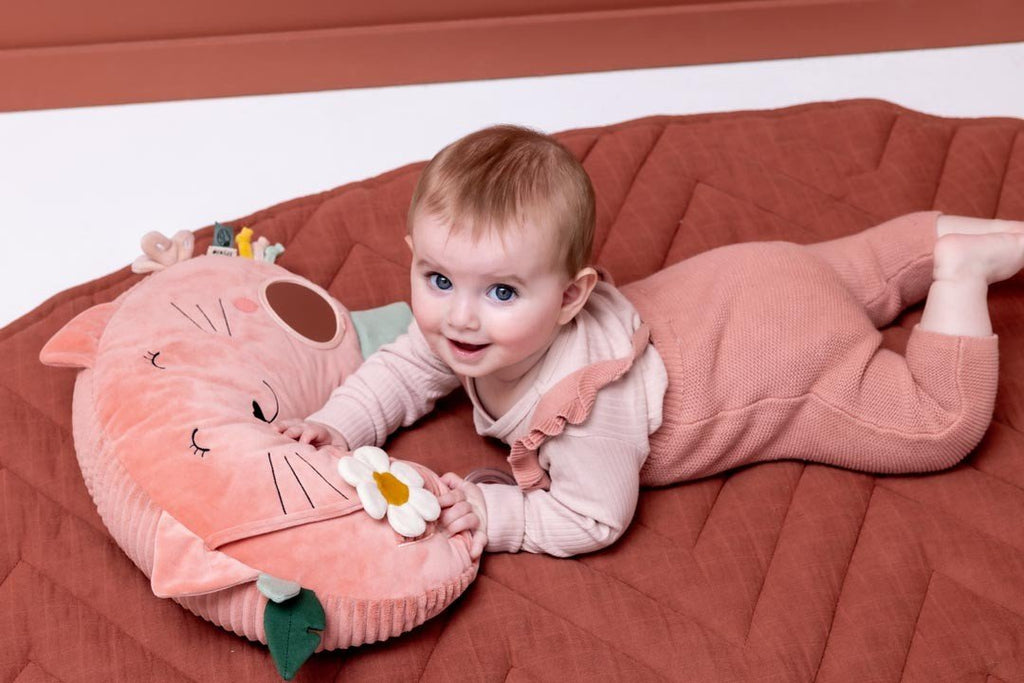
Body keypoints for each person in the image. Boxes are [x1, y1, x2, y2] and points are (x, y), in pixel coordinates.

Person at [276, 124, 1024, 559]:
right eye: (437, 279)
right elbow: (404, 371)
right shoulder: (462, 330)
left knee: (933, 424)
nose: (460, 318)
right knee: (863, 264)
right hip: (758, 269)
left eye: (502, 292)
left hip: (790, 356)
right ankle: (962, 235)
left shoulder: (586, 411)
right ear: (413, 253)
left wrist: (498, 515)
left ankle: (959, 272)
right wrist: (339, 427)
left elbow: (594, 517)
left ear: (574, 296)